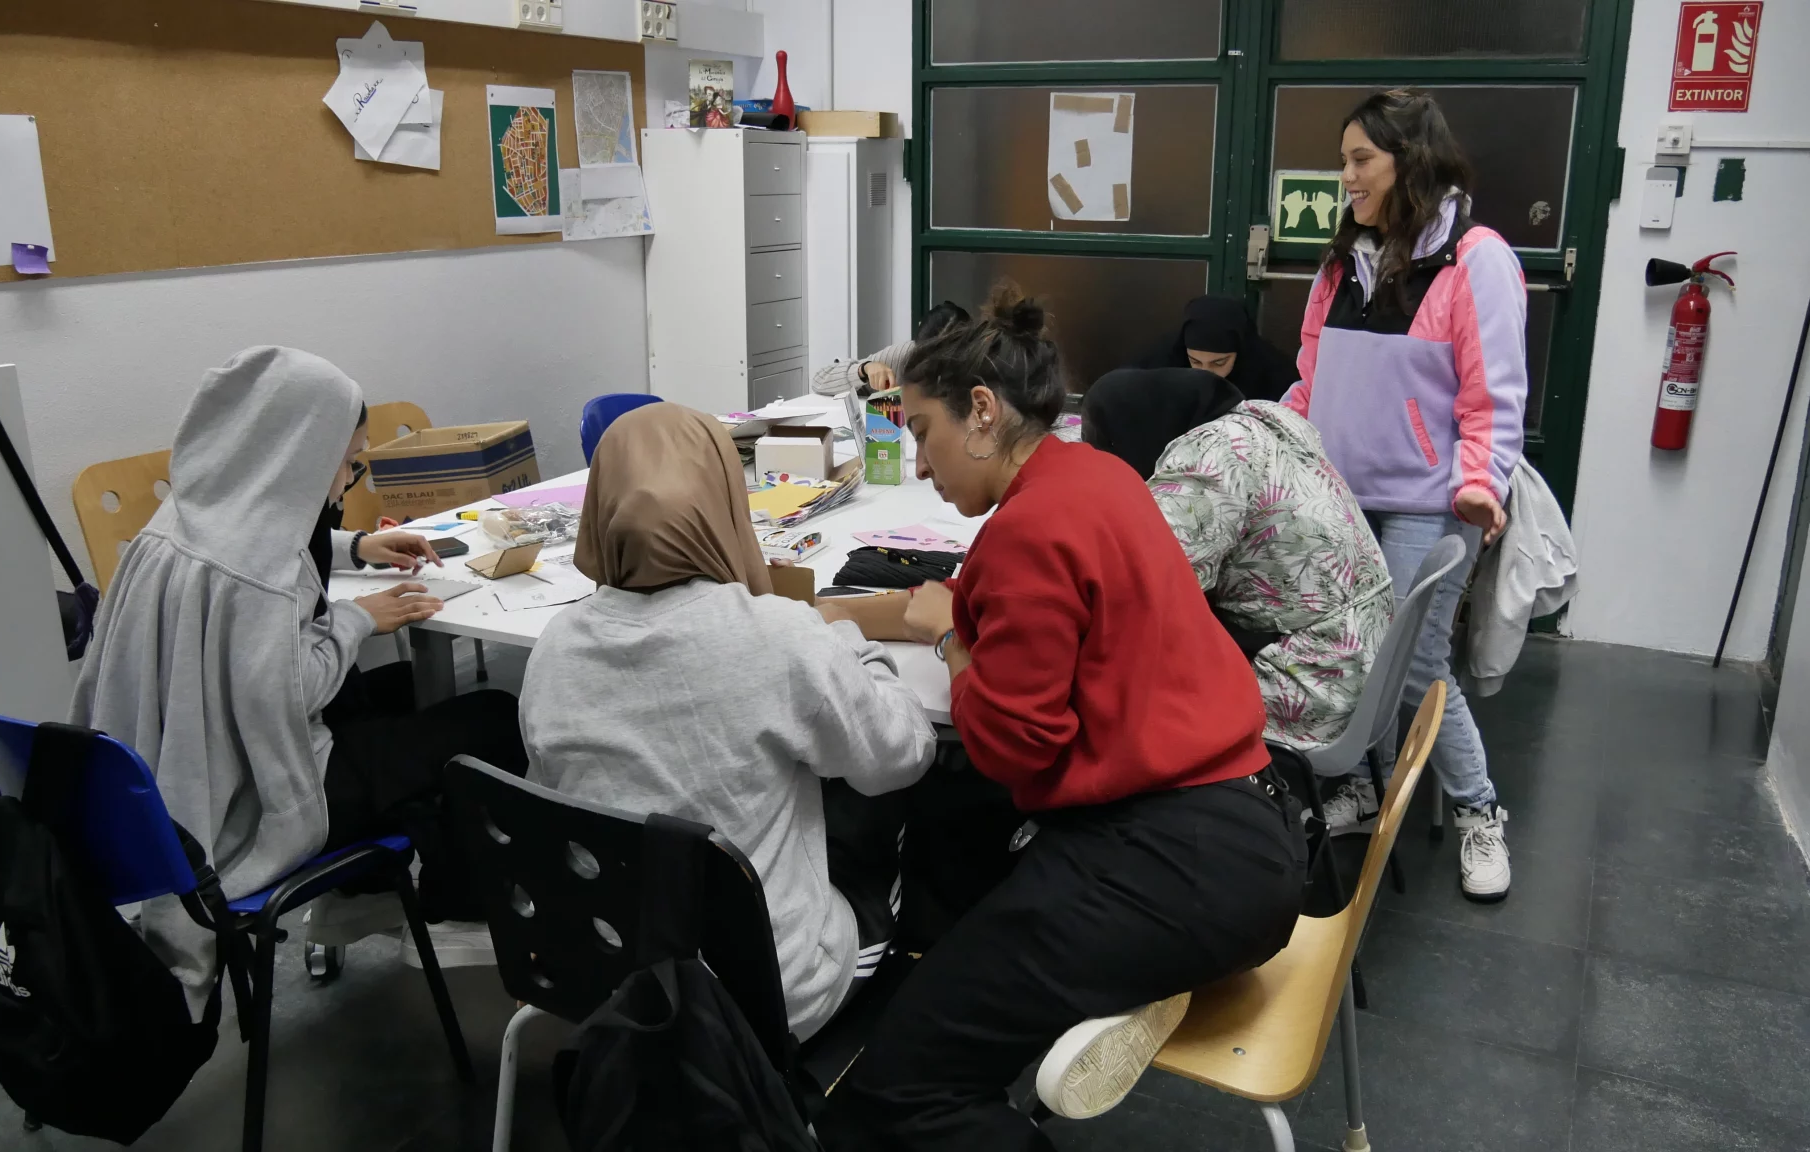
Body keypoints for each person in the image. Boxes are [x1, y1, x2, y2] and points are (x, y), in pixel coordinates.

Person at [815, 287, 1305, 1148]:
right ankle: (1096, 987)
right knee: (949, 848)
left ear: (980, 412)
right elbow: (956, 599)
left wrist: (953, 652)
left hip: (1174, 864)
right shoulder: (1090, 475)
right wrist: (827, 615)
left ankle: (1108, 982)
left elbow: (1012, 746)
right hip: (1247, 828)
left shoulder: (1028, 530)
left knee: (895, 1093)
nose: (920, 464)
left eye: (921, 432)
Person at [71, 346, 528, 1015]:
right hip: (252, 804)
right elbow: (292, 696)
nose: (347, 480)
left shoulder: (177, 523)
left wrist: (356, 547)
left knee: (399, 689)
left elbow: (270, 531)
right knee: (489, 716)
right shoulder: (257, 577)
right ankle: (450, 913)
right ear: (299, 457)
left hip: (165, 784)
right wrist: (353, 620)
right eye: (347, 462)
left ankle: (361, 901)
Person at [519, 402, 936, 1042]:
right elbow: (903, 756)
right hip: (765, 995)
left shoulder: (554, 647)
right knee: (884, 807)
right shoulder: (778, 637)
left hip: (605, 980)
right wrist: (855, 645)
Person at [1285, 88, 1525, 903]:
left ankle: (1477, 812)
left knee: (1417, 665)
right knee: (1351, 653)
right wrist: (1269, 435)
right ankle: (1362, 782)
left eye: (1361, 160)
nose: (1345, 176)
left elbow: (1493, 398)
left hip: (1431, 502)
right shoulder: (1339, 263)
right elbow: (1312, 383)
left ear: (1408, 162)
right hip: (1343, 495)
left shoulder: (1475, 259)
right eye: (1343, 160)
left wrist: (1480, 487)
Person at [1081, 367, 1393, 758]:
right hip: (1364, 654)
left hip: (1313, 681)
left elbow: (1147, 588)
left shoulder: (1209, 457)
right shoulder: (1263, 419)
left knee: (1119, 683)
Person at [1134, 294, 1299, 401]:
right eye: (1195, 362)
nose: (1205, 373)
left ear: (1239, 352)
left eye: (1219, 363)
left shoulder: (1275, 377)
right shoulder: (1161, 363)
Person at [811, 300, 971, 396]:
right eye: (924, 356)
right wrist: (864, 370)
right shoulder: (904, 356)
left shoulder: (979, 370)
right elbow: (819, 381)